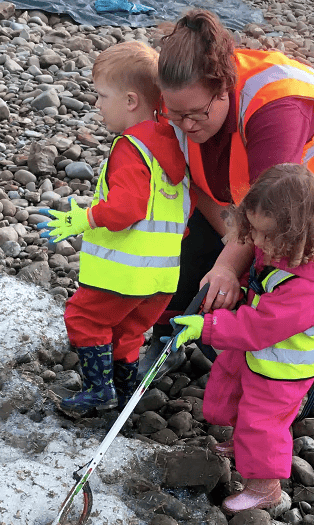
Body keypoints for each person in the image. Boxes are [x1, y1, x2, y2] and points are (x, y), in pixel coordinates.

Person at [138, 8, 314, 417]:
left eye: (196, 114)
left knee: (308, 264)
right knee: (189, 237)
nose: (185, 125)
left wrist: (230, 264)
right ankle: (170, 336)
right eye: (175, 114)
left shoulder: (275, 111)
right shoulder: (180, 104)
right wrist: (226, 253)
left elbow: (270, 214)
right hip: (258, 188)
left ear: (223, 90)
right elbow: (200, 190)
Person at [166, 164, 314, 513]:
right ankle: (242, 444)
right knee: (235, 393)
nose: (257, 243)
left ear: (299, 235)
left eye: (267, 236)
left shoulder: (303, 288)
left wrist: (205, 327)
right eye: (254, 231)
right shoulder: (289, 252)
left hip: (283, 370)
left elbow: (257, 326)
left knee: (262, 423)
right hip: (265, 355)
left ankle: (265, 486)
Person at [37, 41, 191, 413]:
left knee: (83, 317)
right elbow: (183, 213)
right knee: (127, 332)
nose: (97, 105)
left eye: (102, 96)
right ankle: (125, 393)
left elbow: (126, 209)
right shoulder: (174, 146)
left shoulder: (131, 147)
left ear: (131, 100)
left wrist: (83, 218)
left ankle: (98, 391)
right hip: (162, 278)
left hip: (122, 275)